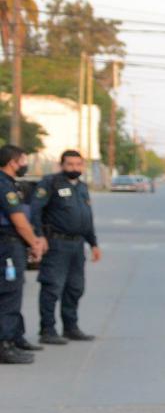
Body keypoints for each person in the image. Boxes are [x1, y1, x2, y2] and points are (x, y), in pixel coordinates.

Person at [30, 150, 100, 345]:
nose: (74, 168)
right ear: (62, 165)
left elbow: (87, 218)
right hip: (56, 243)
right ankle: (48, 329)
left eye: (78, 164)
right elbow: (35, 211)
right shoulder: (50, 183)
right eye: (70, 164)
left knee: (75, 288)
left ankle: (71, 327)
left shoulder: (82, 188)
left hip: (77, 245)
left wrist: (93, 243)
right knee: (52, 286)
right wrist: (39, 237)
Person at [0, 145, 46, 363]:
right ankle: (4, 345)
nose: (25, 165)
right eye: (23, 161)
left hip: (13, 244)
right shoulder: (4, 186)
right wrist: (34, 243)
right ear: (12, 162)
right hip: (7, 245)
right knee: (9, 293)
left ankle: (15, 337)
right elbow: (18, 222)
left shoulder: (11, 184)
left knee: (15, 291)